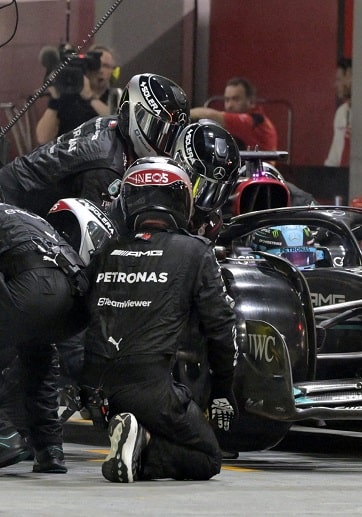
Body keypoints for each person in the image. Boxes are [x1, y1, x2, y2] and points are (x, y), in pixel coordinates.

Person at [80, 156, 237, 483]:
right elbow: (221, 327)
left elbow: (79, 314)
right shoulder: (195, 251)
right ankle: (145, 447)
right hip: (150, 386)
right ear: (182, 201)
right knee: (207, 458)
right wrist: (224, 390)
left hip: (97, 389)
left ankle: (127, 431)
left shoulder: (107, 249)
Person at [0, 73, 190, 217]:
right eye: (155, 129)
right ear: (130, 112)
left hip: (22, 190)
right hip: (15, 201)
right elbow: (96, 233)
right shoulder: (107, 164)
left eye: (170, 135)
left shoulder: (111, 125)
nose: (163, 144)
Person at [0, 189, 91, 473]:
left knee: (28, 326)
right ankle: (49, 448)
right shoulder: (23, 213)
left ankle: (4, 436)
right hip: (76, 301)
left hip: (34, 286)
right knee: (38, 351)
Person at [35, 45, 120, 145]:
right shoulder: (68, 96)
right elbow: (43, 138)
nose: (100, 70)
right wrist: (55, 99)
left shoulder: (116, 96)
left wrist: (90, 97)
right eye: (95, 64)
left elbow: (118, 126)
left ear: (113, 71)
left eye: (105, 66)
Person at [172, 119, 241, 241]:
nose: (207, 202)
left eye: (218, 189)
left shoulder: (213, 221)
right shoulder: (163, 208)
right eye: (201, 185)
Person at [190, 77, 277, 151]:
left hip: (259, 170)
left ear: (251, 101)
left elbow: (208, 115)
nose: (230, 105)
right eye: (227, 100)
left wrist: (184, 113)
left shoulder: (254, 122)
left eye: (236, 99)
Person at [324, 57, 352, 167]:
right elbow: (334, 158)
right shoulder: (341, 112)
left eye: (339, 79)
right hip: (340, 177)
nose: (336, 85)